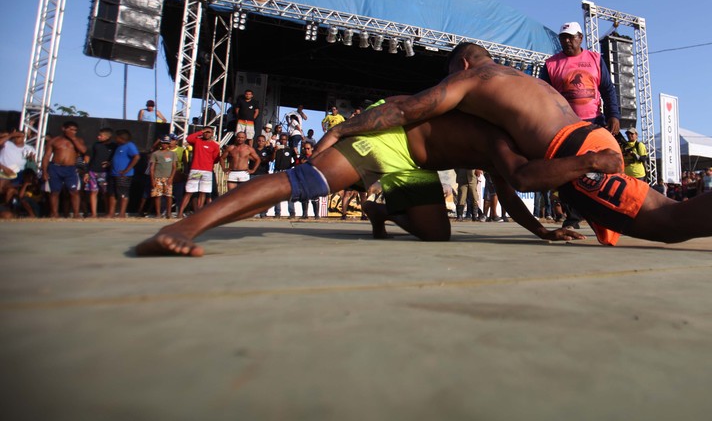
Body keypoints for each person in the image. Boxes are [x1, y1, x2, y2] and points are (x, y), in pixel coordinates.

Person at [317, 42, 712, 258]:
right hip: (582, 139)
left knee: (671, 221)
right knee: (667, 218)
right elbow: (502, 175)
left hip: (576, 154)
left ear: (461, 65)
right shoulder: (527, 82)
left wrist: (343, 130)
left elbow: (408, 110)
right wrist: (541, 228)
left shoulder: (472, 79)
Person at [136, 107, 617, 256]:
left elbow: (511, 189)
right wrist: (340, 131)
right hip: (388, 139)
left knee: (436, 234)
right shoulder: (469, 105)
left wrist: (540, 230)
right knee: (303, 182)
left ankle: (381, 210)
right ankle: (185, 227)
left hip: (417, 168)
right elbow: (524, 178)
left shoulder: (504, 141)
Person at [539, 21, 621, 229]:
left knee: (600, 169)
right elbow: (542, 96)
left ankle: (604, 216)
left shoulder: (594, 59)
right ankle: (573, 217)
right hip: (566, 126)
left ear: (580, 38)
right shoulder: (551, 65)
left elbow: (608, 90)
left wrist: (614, 115)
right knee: (567, 172)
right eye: (563, 38)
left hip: (594, 122)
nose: (566, 41)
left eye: (570, 37)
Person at [41, 121, 87, 218]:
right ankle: (54, 213)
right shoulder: (54, 141)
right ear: (63, 129)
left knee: (74, 191)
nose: (73, 132)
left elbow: (83, 151)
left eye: (75, 130)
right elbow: (46, 157)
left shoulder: (78, 140)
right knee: (54, 192)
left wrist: (73, 138)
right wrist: (44, 171)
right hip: (55, 168)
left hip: (70, 168)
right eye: (70, 129)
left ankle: (76, 214)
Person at [177, 128, 222, 216]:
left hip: (207, 171)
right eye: (205, 132)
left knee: (203, 192)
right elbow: (189, 138)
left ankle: (198, 213)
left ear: (212, 134)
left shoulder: (215, 145)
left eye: (209, 132)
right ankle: (180, 213)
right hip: (195, 170)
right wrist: (201, 132)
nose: (206, 134)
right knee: (189, 192)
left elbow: (216, 159)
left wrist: (207, 162)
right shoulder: (197, 141)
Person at [107, 129, 140, 218]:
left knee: (123, 194)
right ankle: (111, 213)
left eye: (116, 137)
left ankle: (122, 213)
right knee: (112, 193)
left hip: (124, 175)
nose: (115, 139)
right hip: (114, 173)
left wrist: (126, 170)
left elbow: (136, 157)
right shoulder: (119, 146)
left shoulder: (130, 145)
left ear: (121, 138)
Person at [84, 127, 115, 217]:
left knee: (105, 193)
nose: (98, 137)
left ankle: (107, 212)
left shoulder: (114, 146)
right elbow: (90, 158)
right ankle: (93, 214)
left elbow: (117, 158)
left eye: (100, 136)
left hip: (105, 172)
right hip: (93, 171)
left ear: (107, 137)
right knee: (93, 192)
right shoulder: (96, 145)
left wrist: (110, 163)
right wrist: (87, 172)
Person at [148, 136, 177, 218]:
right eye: (163, 143)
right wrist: (152, 179)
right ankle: (158, 213)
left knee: (168, 196)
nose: (165, 145)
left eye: (167, 143)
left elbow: (174, 167)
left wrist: (171, 178)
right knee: (158, 196)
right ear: (161, 143)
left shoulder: (172, 154)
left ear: (169, 144)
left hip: (168, 177)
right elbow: (152, 167)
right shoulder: (156, 154)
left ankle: (168, 213)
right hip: (157, 177)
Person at [272, 133, 299, 218]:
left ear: (287, 140)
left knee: (289, 192)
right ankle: (277, 213)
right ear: (279, 140)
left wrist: (291, 166)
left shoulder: (290, 149)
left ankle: (292, 213)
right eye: (281, 139)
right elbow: (272, 159)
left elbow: (296, 160)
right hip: (277, 172)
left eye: (284, 139)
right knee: (277, 193)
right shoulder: (276, 149)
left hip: (287, 172)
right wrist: (274, 151)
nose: (283, 141)